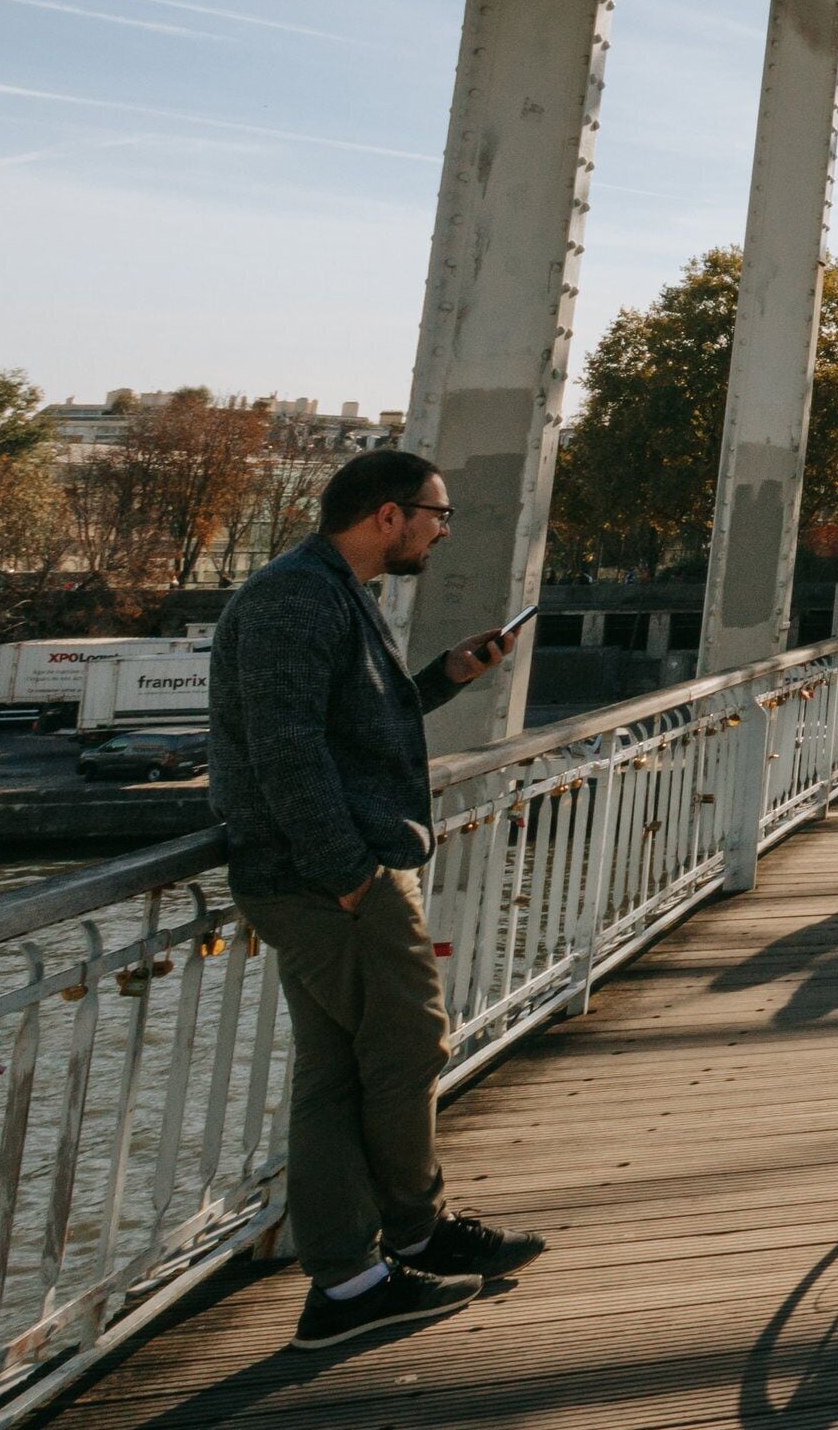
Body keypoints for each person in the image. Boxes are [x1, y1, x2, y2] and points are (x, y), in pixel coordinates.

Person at [207, 449, 541, 1349]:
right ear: (387, 515)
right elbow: (287, 748)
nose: (442, 529)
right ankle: (400, 1241)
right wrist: (349, 874)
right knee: (407, 1048)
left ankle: (358, 1273)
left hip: (320, 871)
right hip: (331, 880)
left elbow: (347, 729)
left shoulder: (328, 593)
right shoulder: (296, 597)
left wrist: (442, 678)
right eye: (437, 513)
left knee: (335, 1073)